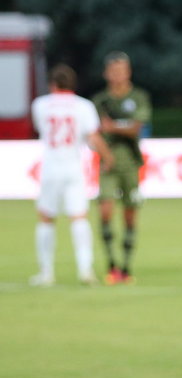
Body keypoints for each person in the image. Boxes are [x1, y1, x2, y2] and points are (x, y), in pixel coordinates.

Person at [30, 64, 113, 286]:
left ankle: (46, 273)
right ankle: (85, 270)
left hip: (50, 167)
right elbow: (92, 138)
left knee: (46, 218)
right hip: (74, 167)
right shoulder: (83, 106)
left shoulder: (40, 105)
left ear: (52, 84)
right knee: (79, 217)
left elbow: (42, 129)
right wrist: (107, 156)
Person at [92, 51, 151, 285]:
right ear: (107, 73)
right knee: (105, 210)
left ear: (128, 72)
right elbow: (95, 131)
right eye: (113, 70)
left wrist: (112, 127)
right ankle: (111, 264)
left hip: (131, 163)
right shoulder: (100, 101)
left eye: (121, 70)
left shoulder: (138, 97)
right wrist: (118, 128)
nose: (117, 75)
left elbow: (137, 127)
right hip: (108, 162)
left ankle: (126, 266)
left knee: (130, 213)